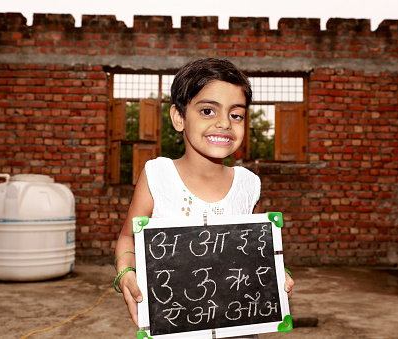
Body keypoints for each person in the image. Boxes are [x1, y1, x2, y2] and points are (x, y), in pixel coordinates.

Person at [114, 58, 294, 338]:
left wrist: (277, 275)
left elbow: (259, 250)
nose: (224, 123)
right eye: (208, 110)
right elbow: (128, 238)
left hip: (239, 328)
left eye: (236, 115)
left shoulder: (249, 184)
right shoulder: (157, 176)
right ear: (179, 117)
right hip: (175, 328)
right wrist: (125, 271)